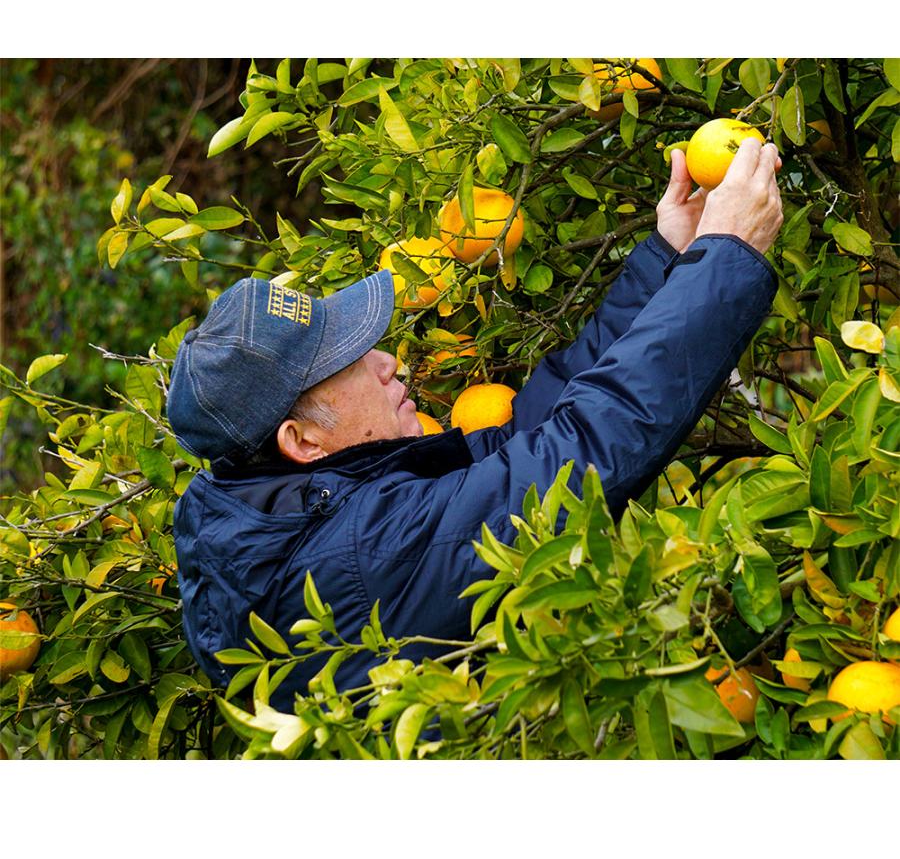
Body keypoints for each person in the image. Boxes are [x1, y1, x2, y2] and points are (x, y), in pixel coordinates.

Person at [168, 141, 783, 711]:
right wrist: (723, 263)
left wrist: (672, 258)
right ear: (301, 441)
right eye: (349, 364)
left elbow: (531, 436)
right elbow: (580, 454)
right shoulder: (358, 558)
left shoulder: (316, 510)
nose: (387, 361)